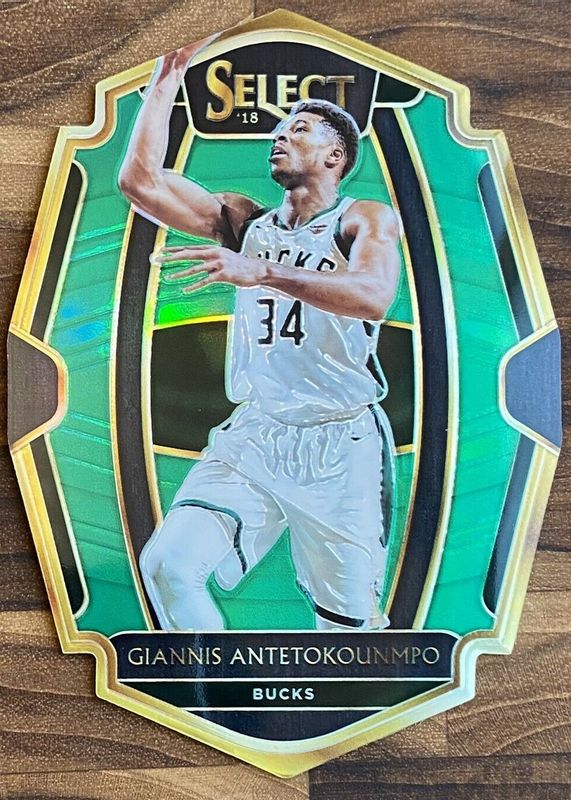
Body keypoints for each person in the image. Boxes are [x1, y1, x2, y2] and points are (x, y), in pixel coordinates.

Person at [118, 40, 401, 632]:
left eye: (299, 129)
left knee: (347, 631)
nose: (279, 136)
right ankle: (213, 685)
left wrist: (264, 272)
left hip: (340, 443)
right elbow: (141, 183)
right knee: (169, 566)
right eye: (278, 128)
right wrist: (166, 83)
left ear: (335, 155)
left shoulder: (361, 217)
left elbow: (374, 295)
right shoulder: (246, 221)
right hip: (256, 432)